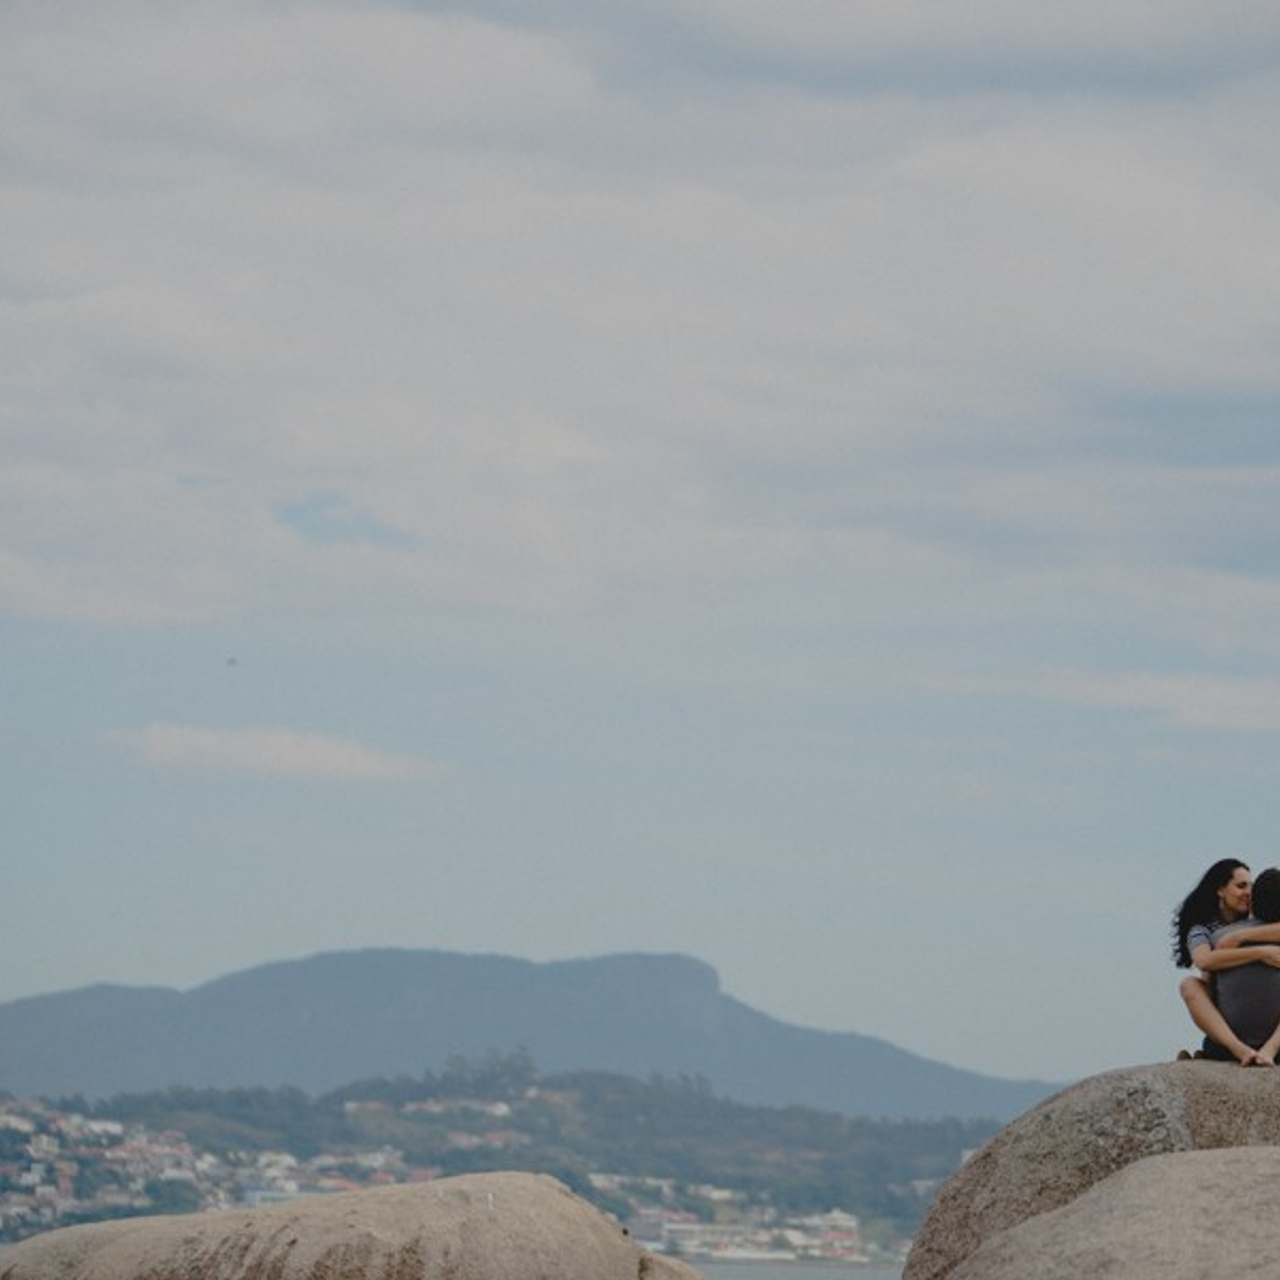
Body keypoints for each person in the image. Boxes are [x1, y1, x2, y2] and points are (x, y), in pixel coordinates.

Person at [1173, 860, 1280, 1064]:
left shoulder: (1257, 921)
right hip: (1229, 1013)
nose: (1248, 892)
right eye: (1241, 886)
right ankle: (1238, 1049)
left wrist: (1243, 936)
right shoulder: (1203, 929)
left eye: (1251, 886)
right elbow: (1204, 960)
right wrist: (1261, 952)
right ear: (1220, 890)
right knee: (1191, 983)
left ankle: (1267, 1049)